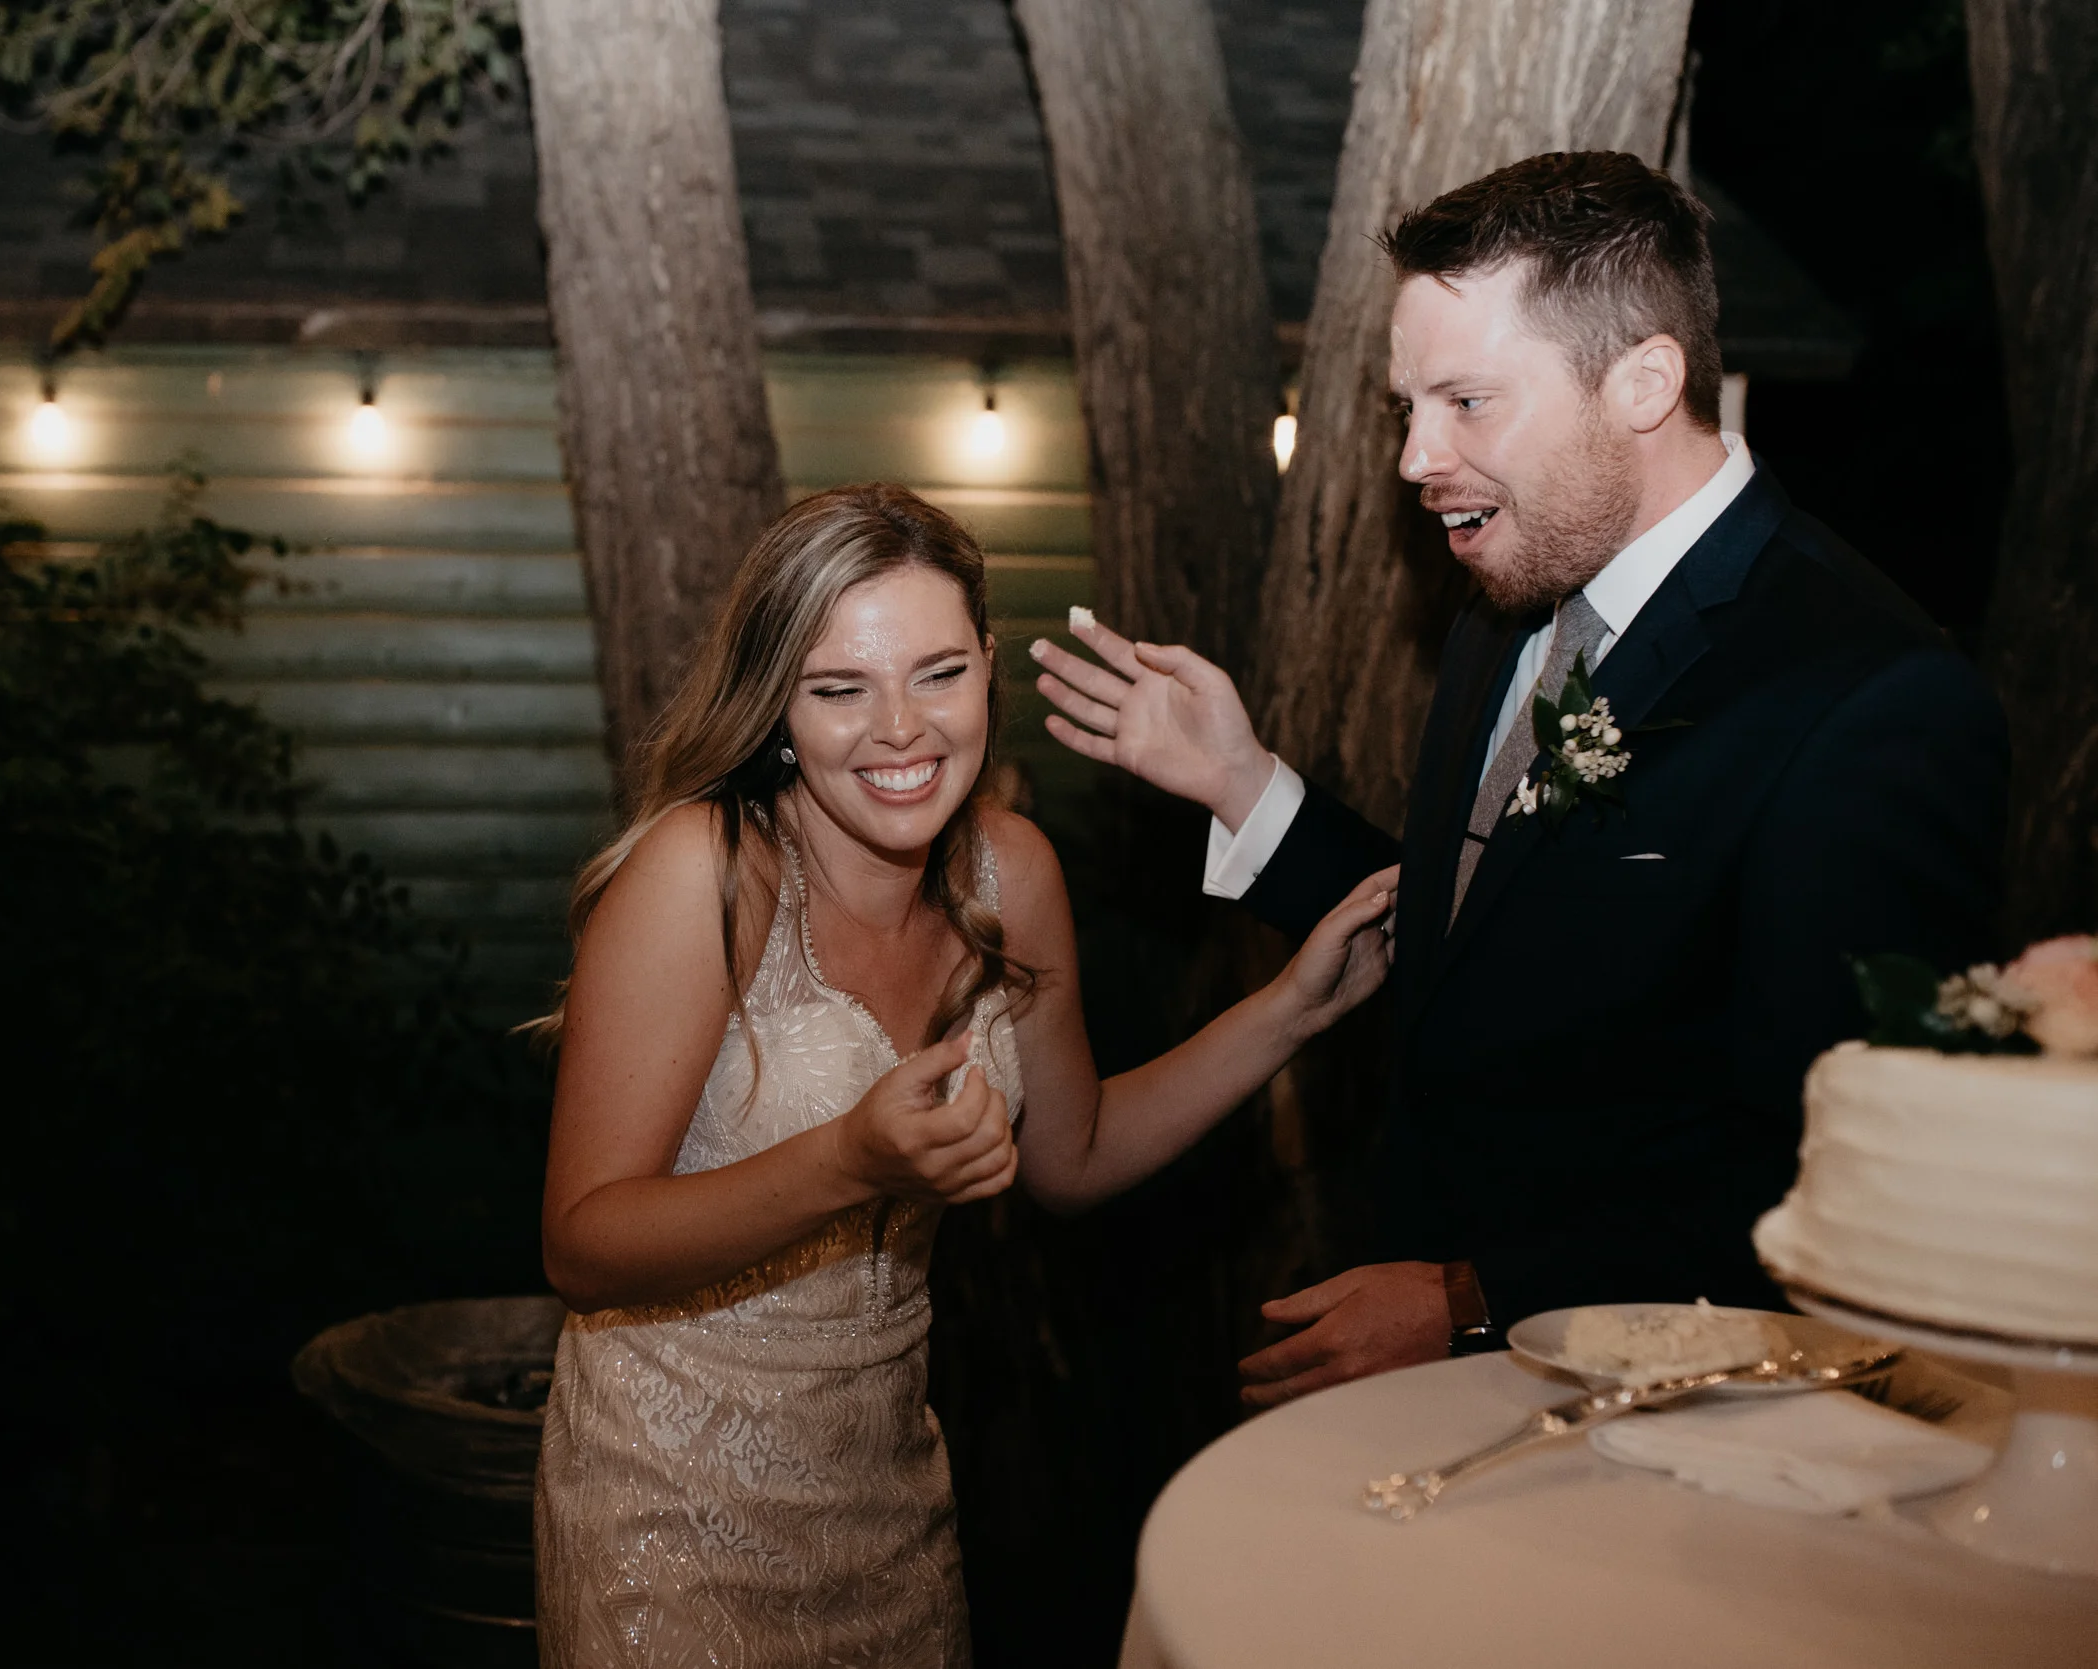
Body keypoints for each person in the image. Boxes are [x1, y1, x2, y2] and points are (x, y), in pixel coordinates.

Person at [1030, 152, 2007, 1412]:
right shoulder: (1513, 599)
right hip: (1435, 1366)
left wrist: (1470, 1296)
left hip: (1671, 1426)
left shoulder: (1869, 699)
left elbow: (1835, 1175)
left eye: (1466, 402)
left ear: (1646, 381)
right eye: (1407, 406)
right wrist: (1241, 781)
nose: (1414, 458)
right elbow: (1487, 940)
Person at [530, 483, 1397, 1667]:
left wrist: (1287, 1011)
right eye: (841, 689)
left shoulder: (1012, 874)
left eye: (938, 673)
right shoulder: (707, 873)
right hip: (668, 1498)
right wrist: (846, 1160)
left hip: (888, 1490)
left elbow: (1074, 1158)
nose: (901, 730)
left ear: (988, 666)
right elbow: (581, 1243)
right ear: (780, 705)